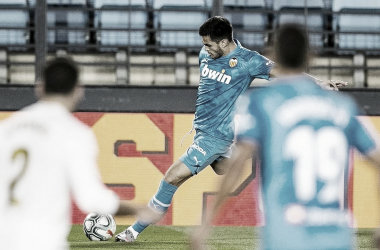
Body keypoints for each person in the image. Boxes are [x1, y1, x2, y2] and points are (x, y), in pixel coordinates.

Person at [115, 16, 347, 243]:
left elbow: (285, 73)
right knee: (223, 169)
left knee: (172, 178)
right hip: (208, 131)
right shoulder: (205, 54)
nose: (205, 49)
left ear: (224, 42)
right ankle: (249, 151)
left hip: (214, 137)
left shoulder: (248, 61)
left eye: (208, 44)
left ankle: (134, 230)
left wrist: (318, 83)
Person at [190, 23, 380, 250]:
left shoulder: (262, 103)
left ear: (273, 55)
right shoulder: (344, 108)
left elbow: (238, 163)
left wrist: (206, 224)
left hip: (285, 237)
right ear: (312, 55)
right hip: (336, 239)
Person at [0, 57, 159, 250]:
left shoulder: (7, 129)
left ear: (39, 88)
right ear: (78, 91)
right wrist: (136, 209)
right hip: (43, 241)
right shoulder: (74, 134)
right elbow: (91, 198)